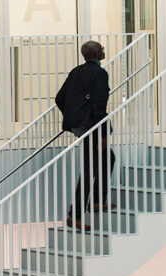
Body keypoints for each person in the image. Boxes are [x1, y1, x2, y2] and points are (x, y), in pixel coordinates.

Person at [54, 40, 114, 231]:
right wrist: (102, 134)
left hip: (81, 126)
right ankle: (75, 214)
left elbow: (59, 98)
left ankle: (96, 200)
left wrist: (74, 117)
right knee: (89, 170)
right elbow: (98, 106)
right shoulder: (99, 74)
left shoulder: (76, 71)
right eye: (101, 49)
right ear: (96, 54)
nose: (104, 51)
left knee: (108, 159)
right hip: (92, 127)